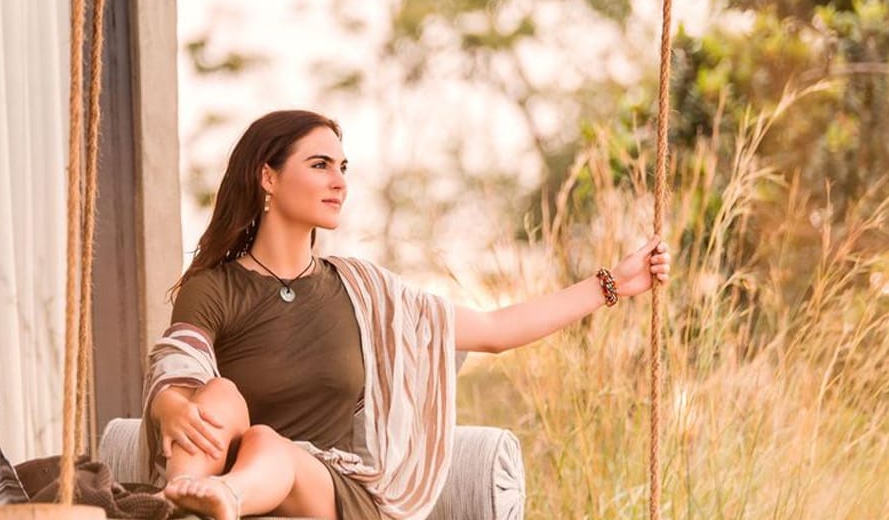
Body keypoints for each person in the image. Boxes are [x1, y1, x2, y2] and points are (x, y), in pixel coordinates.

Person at [143, 110, 673, 520]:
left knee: (267, 443)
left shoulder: (361, 291)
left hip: (332, 493)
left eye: (343, 168)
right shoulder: (215, 285)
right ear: (268, 177)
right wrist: (169, 404)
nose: (339, 182)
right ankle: (180, 506)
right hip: (231, 464)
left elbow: (494, 330)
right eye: (320, 164)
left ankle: (221, 498)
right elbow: (177, 361)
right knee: (217, 395)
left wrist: (612, 285)